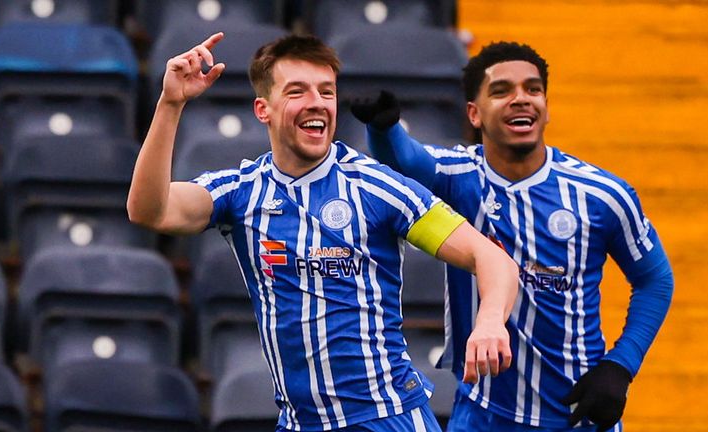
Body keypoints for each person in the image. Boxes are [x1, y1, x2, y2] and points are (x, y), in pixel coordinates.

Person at [127, 32, 520, 432]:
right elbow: (149, 211)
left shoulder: (376, 187)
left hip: (385, 419)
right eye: (297, 91)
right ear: (263, 109)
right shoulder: (241, 191)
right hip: (299, 423)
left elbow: (490, 258)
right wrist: (170, 104)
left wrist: (489, 322)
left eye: (327, 92)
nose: (317, 103)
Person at [351, 41, 674, 432]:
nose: (522, 99)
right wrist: (383, 126)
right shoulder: (459, 177)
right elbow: (406, 160)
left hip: (578, 415)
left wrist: (620, 367)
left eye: (533, 89)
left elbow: (655, 279)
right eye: (502, 91)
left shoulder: (601, 194)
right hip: (483, 415)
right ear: (473, 113)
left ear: (546, 106)